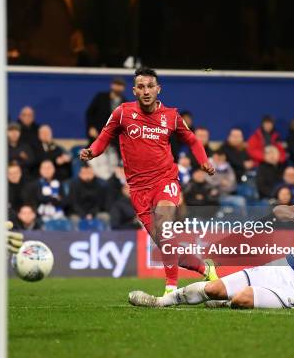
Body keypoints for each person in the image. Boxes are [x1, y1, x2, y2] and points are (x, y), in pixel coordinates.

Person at [129, 183, 294, 311]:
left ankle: (226, 303)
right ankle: (161, 301)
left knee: (242, 298)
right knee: (214, 288)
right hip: (280, 269)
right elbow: (279, 209)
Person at [80, 67, 217, 295]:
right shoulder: (122, 113)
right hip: (138, 189)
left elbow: (192, 140)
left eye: (150, 86)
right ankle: (205, 268)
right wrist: (92, 152)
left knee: (165, 227)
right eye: (141, 87)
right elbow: (104, 137)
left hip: (165, 180)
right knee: (165, 244)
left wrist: (203, 161)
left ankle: (171, 289)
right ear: (134, 91)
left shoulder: (171, 116)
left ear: (158, 89)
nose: (146, 91)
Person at [85, 77, 127, 145]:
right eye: (116, 84)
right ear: (112, 85)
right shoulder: (101, 97)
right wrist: (91, 127)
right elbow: (89, 113)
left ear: (123, 87)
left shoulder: (125, 103)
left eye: (120, 85)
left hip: (114, 139)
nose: (118, 87)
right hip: (97, 134)